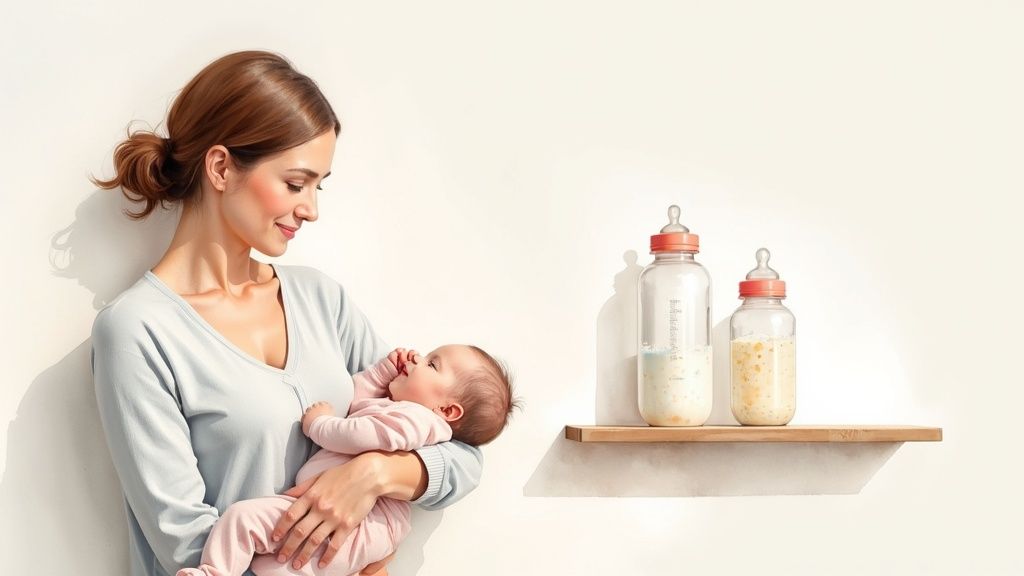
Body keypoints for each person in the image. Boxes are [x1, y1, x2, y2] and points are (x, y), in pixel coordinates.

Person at [89, 50, 484, 576]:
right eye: (296, 184)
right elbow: (184, 542)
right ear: (221, 167)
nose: (312, 208)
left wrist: (372, 473)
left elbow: (458, 451)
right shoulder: (138, 331)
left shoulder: (323, 301)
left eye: (319, 186)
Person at [176, 344, 518, 576]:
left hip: (362, 526)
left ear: (447, 410)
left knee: (248, 525)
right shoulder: (396, 406)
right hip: (330, 516)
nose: (416, 359)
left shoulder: (418, 421)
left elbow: (360, 434)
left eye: (431, 364)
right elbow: (355, 399)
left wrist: (319, 425)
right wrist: (385, 370)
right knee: (265, 550)